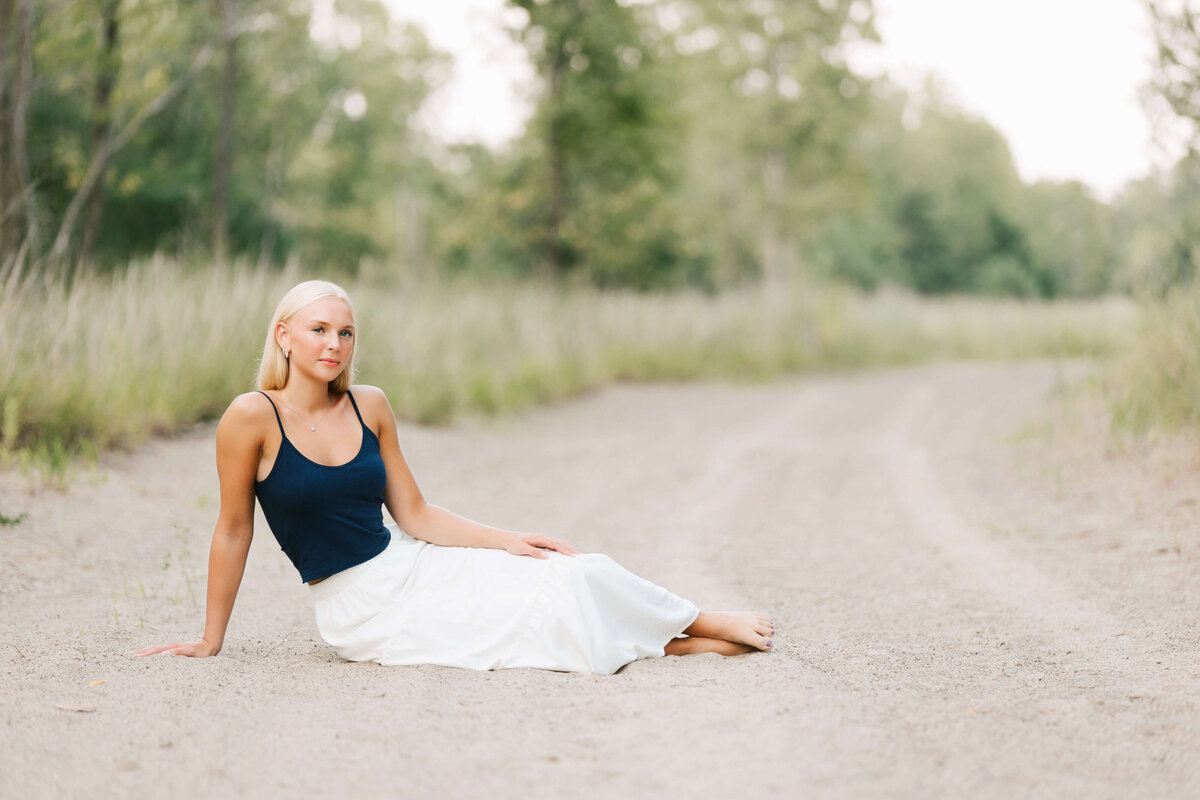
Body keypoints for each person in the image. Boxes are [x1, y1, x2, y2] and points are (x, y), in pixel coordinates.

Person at [137, 280, 774, 674]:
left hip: (410, 563)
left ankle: (698, 621)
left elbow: (415, 514)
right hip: (358, 606)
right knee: (531, 623)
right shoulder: (251, 418)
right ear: (285, 336)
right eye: (319, 329)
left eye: (346, 332)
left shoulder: (370, 404)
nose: (335, 344)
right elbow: (231, 531)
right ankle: (673, 644)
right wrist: (209, 640)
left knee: (569, 571)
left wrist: (511, 540)